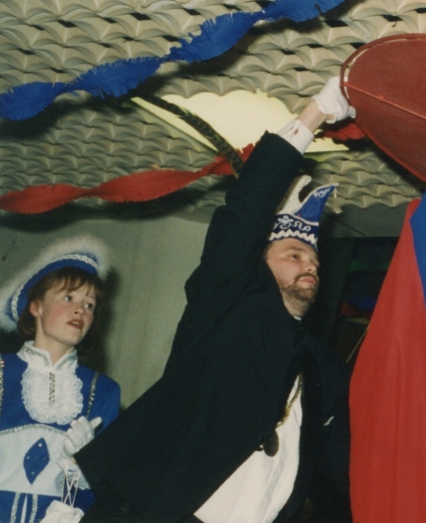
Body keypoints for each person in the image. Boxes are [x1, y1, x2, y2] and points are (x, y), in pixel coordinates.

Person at [74, 78, 355, 522]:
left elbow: (346, 468)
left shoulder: (325, 370)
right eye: (294, 254)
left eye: (316, 261)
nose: (311, 267)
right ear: (256, 263)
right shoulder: (226, 303)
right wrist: (316, 112)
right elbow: (244, 214)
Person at [0, 236, 121, 522]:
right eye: (69, 298)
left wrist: (83, 466)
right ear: (37, 307)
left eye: (90, 305)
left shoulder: (104, 391)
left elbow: (104, 491)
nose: (81, 310)